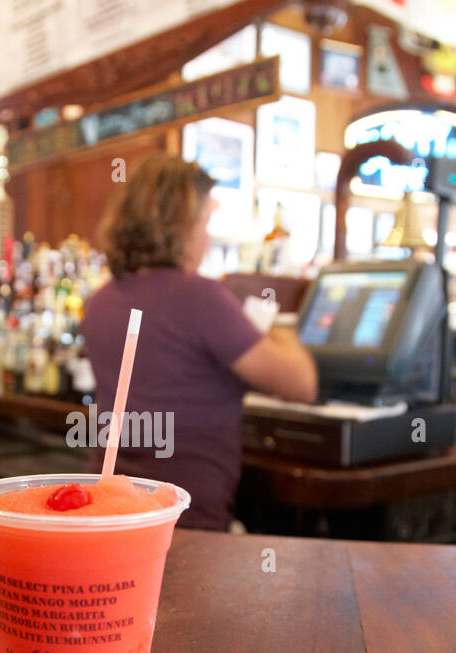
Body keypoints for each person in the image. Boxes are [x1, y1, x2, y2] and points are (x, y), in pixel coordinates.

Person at [83, 154, 318, 531]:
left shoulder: (101, 300)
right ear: (180, 225)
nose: (207, 238)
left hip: (113, 515)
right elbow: (301, 384)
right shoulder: (200, 297)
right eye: (205, 221)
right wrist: (284, 328)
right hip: (187, 522)